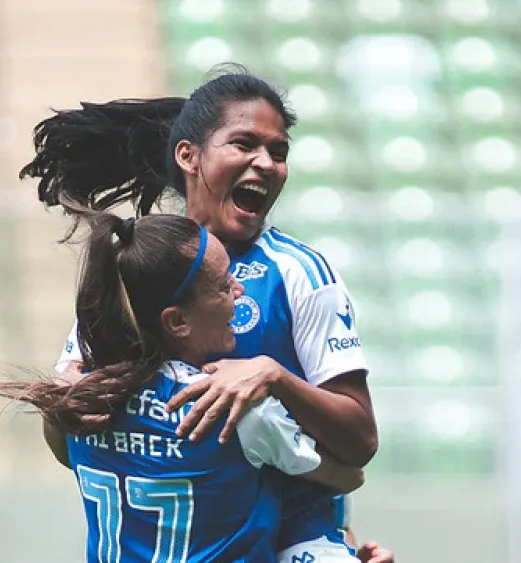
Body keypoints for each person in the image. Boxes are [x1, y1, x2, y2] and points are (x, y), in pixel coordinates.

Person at [23, 66, 394, 563]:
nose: (266, 163)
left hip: (295, 534)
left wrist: (273, 376)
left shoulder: (300, 273)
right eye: (244, 144)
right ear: (188, 155)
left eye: (279, 152)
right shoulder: (137, 264)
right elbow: (73, 429)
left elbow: (360, 442)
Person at [0, 208, 365, 562]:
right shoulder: (235, 410)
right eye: (221, 285)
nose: (239, 291)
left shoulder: (83, 399)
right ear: (177, 322)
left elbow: (66, 450)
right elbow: (347, 475)